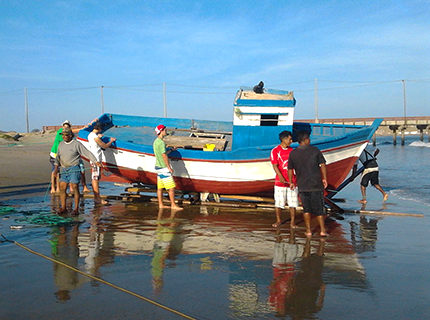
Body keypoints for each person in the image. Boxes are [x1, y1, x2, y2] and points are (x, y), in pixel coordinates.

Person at [288, 130, 328, 237]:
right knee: (319, 209)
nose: (310, 141)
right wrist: (324, 178)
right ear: (306, 140)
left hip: (302, 185)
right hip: (315, 184)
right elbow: (322, 165)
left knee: (306, 209)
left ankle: (308, 230)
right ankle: (322, 230)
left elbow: (290, 169)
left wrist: (291, 182)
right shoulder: (315, 150)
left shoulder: (293, 153)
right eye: (309, 139)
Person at [54, 128, 101, 215]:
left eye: (66, 135)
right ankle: (63, 208)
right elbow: (58, 157)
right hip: (63, 168)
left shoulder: (76, 144)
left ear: (70, 135)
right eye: (63, 135)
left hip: (74, 168)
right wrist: (56, 168)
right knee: (62, 188)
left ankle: (76, 208)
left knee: (75, 187)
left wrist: (95, 161)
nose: (64, 137)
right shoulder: (61, 144)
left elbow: (86, 153)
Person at [50, 120, 91, 194]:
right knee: (55, 171)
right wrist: (85, 127)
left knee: (74, 172)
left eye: (67, 127)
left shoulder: (72, 140)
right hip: (55, 154)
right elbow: (75, 130)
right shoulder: (61, 131)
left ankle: (73, 188)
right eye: (64, 126)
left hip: (68, 156)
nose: (65, 128)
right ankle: (54, 188)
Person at [270, 130, 299, 228]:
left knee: (293, 203)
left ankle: (293, 222)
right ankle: (278, 220)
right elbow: (275, 165)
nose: (291, 141)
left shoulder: (292, 151)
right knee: (279, 202)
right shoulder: (275, 151)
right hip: (280, 182)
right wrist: (280, 177)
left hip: (292, 181)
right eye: (290, 139)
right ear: (284, 139)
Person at [153, 124, 182, 210]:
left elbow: (163, 153)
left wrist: (171, 150)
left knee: (160, 188)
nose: (166, 131)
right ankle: (173, 205)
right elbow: (164, 155)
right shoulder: (161, 142)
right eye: (165, 130)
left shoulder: (155, 142)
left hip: (158, 166)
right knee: (171, 188)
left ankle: (161, 204)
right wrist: (168, 167)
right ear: (161, 131)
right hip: (163, 167)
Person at [87, 122, 116, 205]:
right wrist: (111, 141)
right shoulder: (96, 138)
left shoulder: (90, 135)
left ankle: (97, 198)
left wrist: (99, 136)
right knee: (95, 179)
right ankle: (97, 199)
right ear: (99, 129)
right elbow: (105, 146)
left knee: (95, 178)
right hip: (96, 160)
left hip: (93, 159)